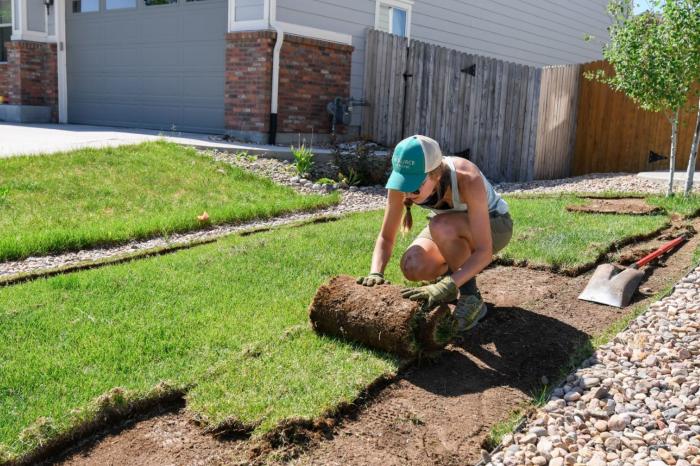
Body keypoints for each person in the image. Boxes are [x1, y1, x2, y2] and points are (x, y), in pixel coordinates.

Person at [357, 135, 513, 332]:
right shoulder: (403, 187)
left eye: (413, 187)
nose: (406, 193)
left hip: (495, 225)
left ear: (435, 175)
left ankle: (471, 297)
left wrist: (447, 284)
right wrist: (375, 272)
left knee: (441, 225)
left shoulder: (467, 177)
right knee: (412, 265)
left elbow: (484, 251)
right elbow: (386, 237)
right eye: (402, 183)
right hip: (449, 227)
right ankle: (452, 282)